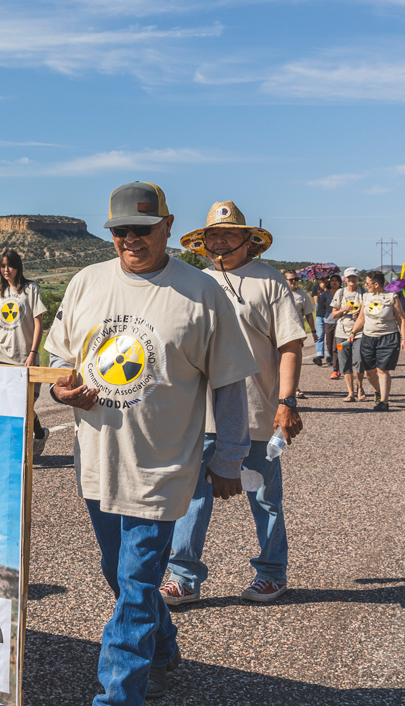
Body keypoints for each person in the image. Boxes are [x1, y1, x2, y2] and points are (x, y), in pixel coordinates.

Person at [45, 182, 256, 706]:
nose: (129, 241)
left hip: (164, 468)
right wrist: (61, 391)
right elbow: (58, 365)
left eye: (141, 229)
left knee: (137, 589)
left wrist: (229, 460)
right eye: (119, 231)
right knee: (119, 576)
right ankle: (163, 653)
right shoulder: (87, 283)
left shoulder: (200, 293)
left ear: (166, 227)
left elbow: (229, 386)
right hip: (98, 460)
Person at [163, 201, 306, 609]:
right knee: (191, 497)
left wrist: (287, 401)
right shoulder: (193, 282)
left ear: (249, 240)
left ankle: (271, 573)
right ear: (202, 242)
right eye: (213, 235)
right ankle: (183, 576)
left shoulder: (270, 281)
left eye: (229, 234)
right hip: (199, 413)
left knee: (262, 496)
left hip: (257, 411)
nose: (220, 241)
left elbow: (290, 345)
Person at [0, 249, 48, 456]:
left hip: (23, 356)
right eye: (2, 266)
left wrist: (33, 352)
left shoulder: (31, 289)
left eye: (9, 266)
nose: (5, 270)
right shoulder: (1, 292)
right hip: (0, 354)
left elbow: (39, 323)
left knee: (25, 406)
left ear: (18, 266)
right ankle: (12, 451)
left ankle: (38, 434)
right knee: (3, 404)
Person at [348, 270, 405, 411]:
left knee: (382, 369)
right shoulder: (366, 296)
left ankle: (384, 402)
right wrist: (353, 332)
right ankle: (378, 390)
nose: (365, 284)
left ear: (375, 284)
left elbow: (401, 319)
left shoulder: (392, 297)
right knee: (369, 372)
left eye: (367, 282)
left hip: (388, 337)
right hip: (368, 337)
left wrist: (404, 339)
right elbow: (362, 317)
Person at [330, 268, 366, 400]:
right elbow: (333, 314)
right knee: (344, 362)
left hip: (359, 332)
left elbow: (369, 311)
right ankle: (350, 392)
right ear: (345, 279)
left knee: (359, 360)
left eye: (354, 277)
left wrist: (361, 315)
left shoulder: (363, 293)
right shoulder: (340, 293)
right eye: (349, 277)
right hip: (342, 331)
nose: (352, 280)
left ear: (358, 278)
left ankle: (360, 388)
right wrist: (343, 309)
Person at [313, 276, 332, 366]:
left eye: (325, 278)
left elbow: (330, 303)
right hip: (319, 315)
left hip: (330, 315)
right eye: (321, 278)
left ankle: (329, 356)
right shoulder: (316, 288)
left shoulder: (332, 288)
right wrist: (321, 294)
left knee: (329, 337)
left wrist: (325, 291)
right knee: (320, 336)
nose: (323, 280)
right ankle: (319, 356)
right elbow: (318, 304)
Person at [325, 274, 342, 377]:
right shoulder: (325, 294)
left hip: (340, 322)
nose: (334, 282)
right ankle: (335, 362)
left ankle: (336, 369)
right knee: (329, 346)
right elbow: (319, 309)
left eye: (336, 280)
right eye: (332, 280)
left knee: (336, 347)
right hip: (329, 321)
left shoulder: (343, 293)